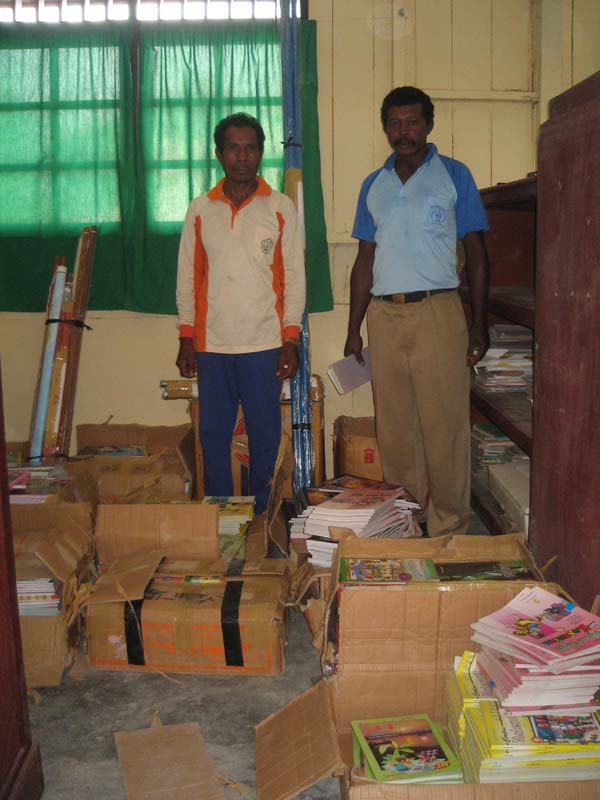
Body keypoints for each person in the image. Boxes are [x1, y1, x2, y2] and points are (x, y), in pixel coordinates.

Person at [344, 86, 489, 537]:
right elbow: (364, 261)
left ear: (428, 124)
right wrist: (353, 329)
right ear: (385, 128)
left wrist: (480, 323)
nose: (402, 131)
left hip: (437, 311)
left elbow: (477, 253)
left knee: (444, 427)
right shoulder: (374, 184)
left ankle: (450, 529)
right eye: (394, 123)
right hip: (385, 317)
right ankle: (407, 523)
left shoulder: (454, 175)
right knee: (396, 430)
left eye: (411, 122)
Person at [176, 113, 305, 514]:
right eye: (233, 148)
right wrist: (186, 337)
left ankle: (262, 519)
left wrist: (290, 339)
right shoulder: (200, 209)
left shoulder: (280, 207)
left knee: (265, 439)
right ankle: (221, 520)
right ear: (219, 154)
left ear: (261, 153)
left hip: (264, 345)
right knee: (213, 437)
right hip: (212, 347)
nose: (242, 156)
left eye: (251, 148)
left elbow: (295, 278)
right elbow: (188, 277)